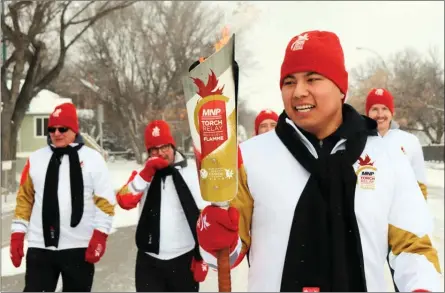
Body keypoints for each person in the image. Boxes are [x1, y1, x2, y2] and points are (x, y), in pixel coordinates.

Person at [195, 31, 441, 292]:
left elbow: (414, 247)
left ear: (341, 89)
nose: (299, 92)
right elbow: (227, 256)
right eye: (289, 82)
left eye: (312, 79)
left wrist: (421, 287)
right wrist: (214, 242)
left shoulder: (387, 156)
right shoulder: (249, 157)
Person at [10, 103, 115, 292]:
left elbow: (105, 202)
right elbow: (24, 200)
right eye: (51, 129)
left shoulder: (93, 159)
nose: (56, 133)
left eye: (62, 129)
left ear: (74, 129)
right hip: (40, 247)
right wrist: (17, 234)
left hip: (78, 247)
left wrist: (100, 235)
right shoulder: (35, 159)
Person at [116, 120, 209, 292]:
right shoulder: (142, 177)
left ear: (172, 146)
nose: (160, 153)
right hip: (149, 261)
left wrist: (202, 257)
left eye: (164, 147)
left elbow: (204, 217)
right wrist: (146, 174)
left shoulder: (191, 174)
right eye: (154, 149)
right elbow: (124, 201)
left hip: (184, 259)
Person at [366, 88, 428, 199]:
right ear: (367, 113)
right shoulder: (358, 141)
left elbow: (420, 183)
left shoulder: (410, 141)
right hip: (368, 214)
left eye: (385, 109)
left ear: (391, 112)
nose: (380, 114)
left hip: (401, 213)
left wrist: (419, 213)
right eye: (374, 109)